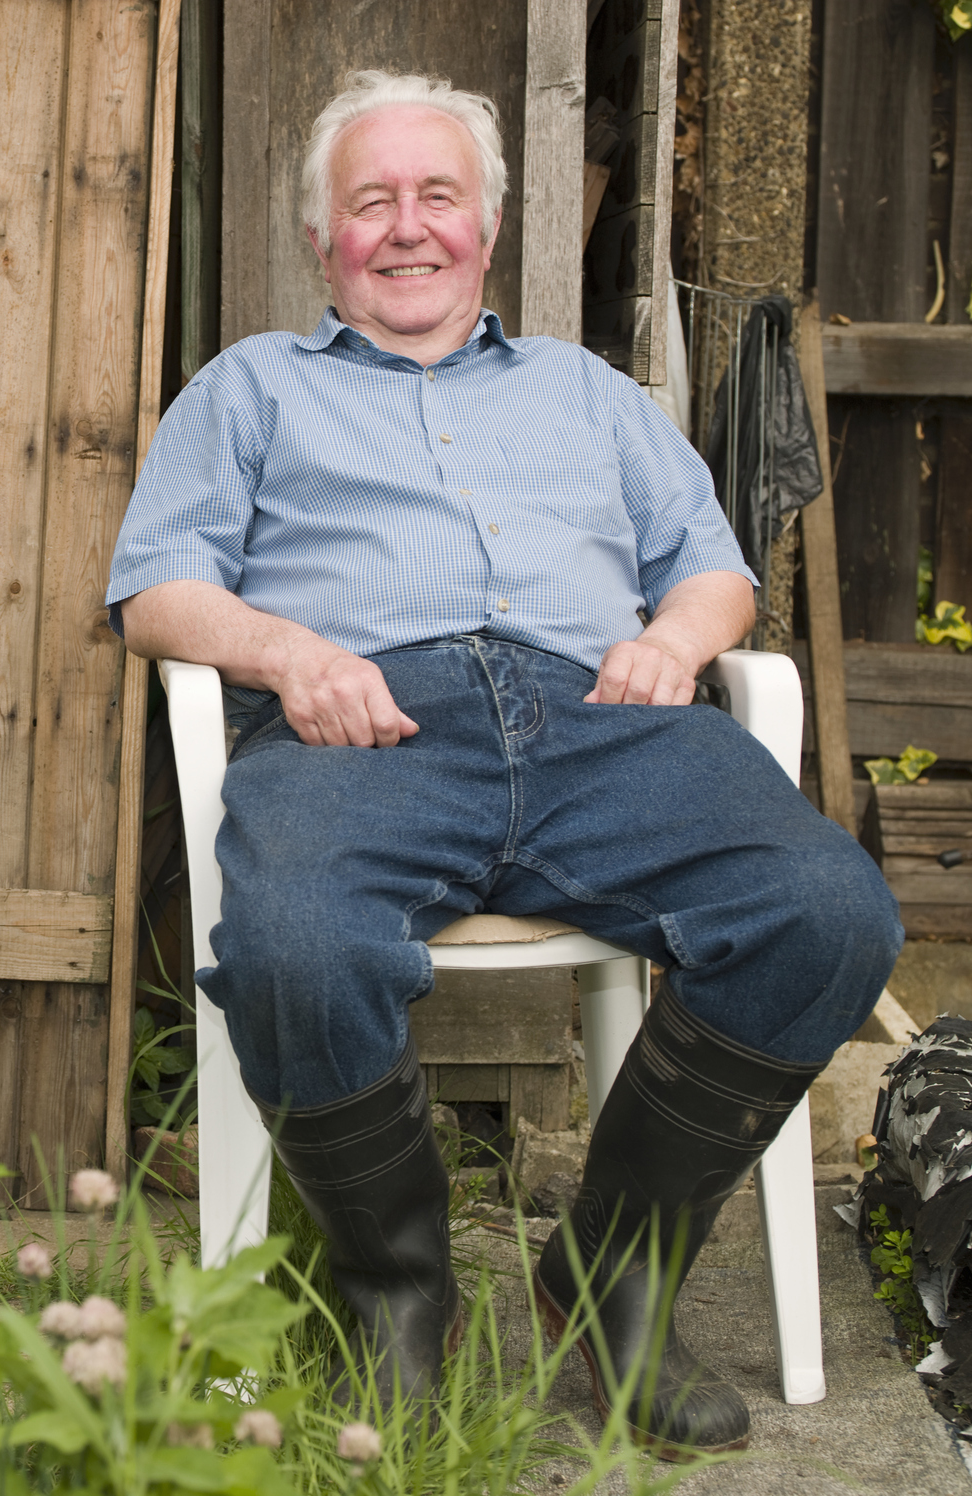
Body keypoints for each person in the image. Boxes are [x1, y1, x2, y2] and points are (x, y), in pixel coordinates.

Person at [105, 71, 901, 1455]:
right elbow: (156, 592)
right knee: (294, 947)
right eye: (372, 203)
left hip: (603, 714)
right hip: (366, 724)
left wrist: (673, 639)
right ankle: (400, 1289)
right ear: (322, 240)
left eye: (437, 197)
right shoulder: (249, 390)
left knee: (832, 914)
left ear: (486, 225)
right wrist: (293, 656)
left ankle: (608, 1278)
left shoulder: (587, 393)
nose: (407, 229)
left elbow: (714, 569)